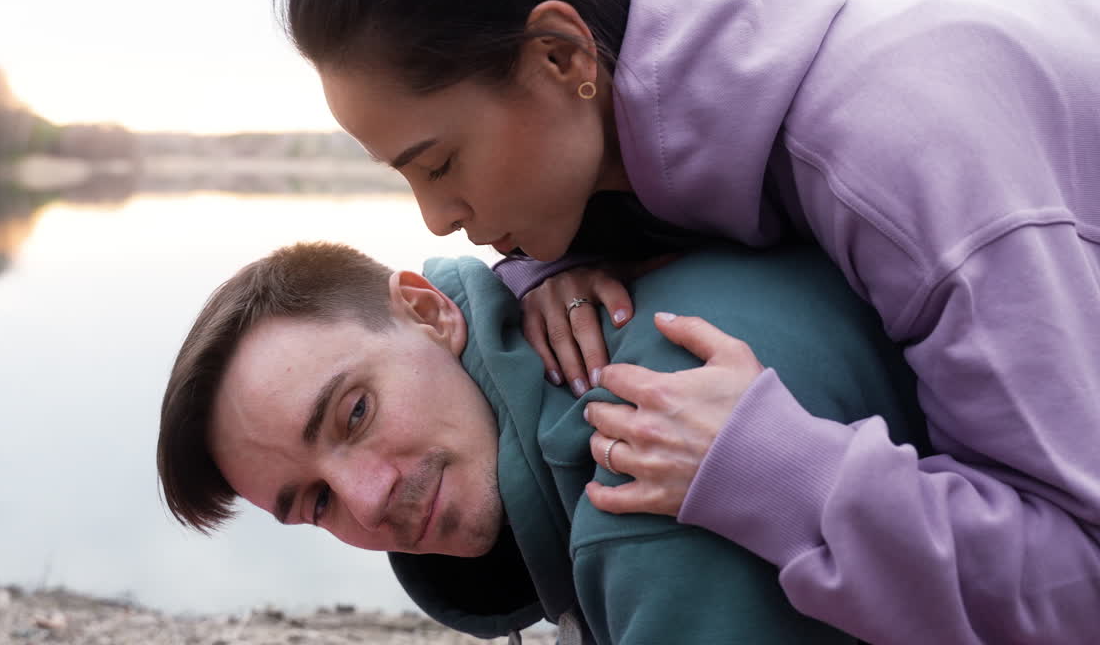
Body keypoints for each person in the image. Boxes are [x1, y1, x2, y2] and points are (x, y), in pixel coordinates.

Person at [276, 0, 1100, 642]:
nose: (436, 220)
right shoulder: (662, 111)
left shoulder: (909, 166)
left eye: (440, 163)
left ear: (560, 56)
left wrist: (780, 472)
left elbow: (1081, 578)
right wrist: (551, 264)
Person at [157, 241, 930, 645]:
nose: (368, 499)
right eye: (318, 501)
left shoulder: (645, 453)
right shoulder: (572, 341)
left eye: (355, 413)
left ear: (429, 313)